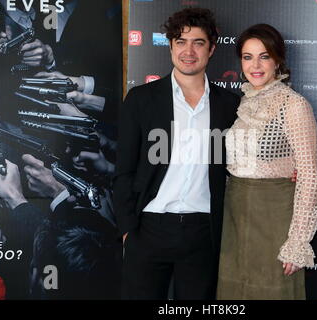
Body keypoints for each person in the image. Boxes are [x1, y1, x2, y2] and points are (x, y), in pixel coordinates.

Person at [114, 8, 240, 299]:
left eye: (198, 42)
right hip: (148, 229)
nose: (189, 51)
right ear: (170, 46)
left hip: (202, 233)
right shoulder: (141, 100)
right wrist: (128, 231)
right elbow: (123, 170)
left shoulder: (230, 105)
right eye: (181, 41)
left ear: (211, 48)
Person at [216, 24, 317, 300]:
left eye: (264, 56)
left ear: (277, 60)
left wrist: (297, 242)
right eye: (247, 57)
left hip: (275, 217)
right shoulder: (241, 103)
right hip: (234, 216)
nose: (255, 65)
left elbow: (310, 177)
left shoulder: (294, 105)